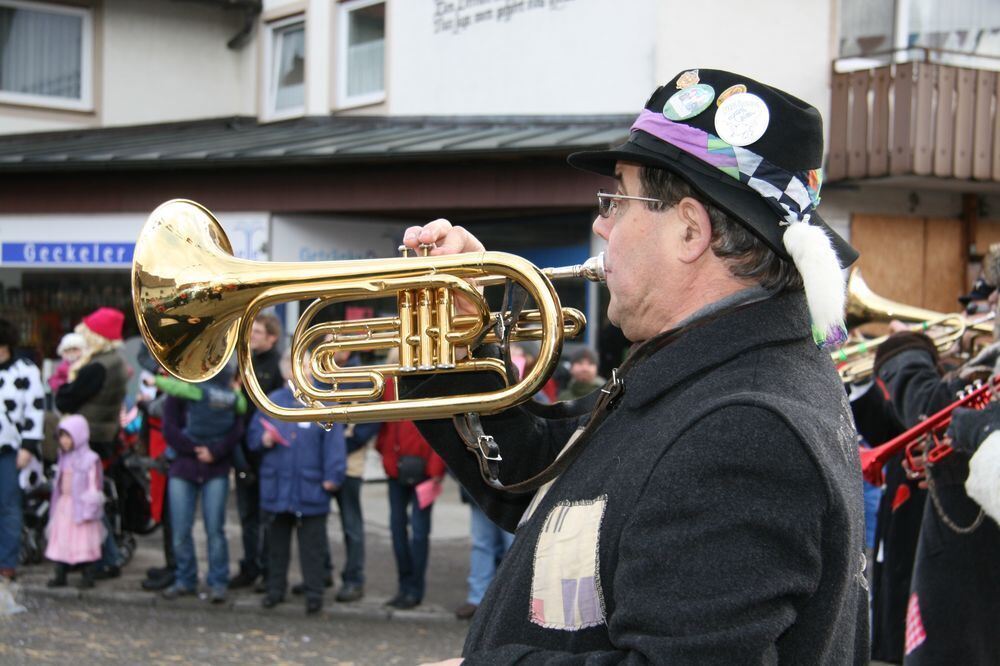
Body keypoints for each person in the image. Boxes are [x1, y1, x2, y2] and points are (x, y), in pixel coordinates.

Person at [404, 69, 868, 663]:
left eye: (616, 200)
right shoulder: (707, 366)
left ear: (690, 232)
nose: (600, 223)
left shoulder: (744, 428)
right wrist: (452, 342)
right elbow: (540, 475)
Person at [248, 350, 346, 614]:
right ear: (284, 370)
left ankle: (314, 594)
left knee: (312, 546)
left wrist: (332, 476)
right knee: (276, 544)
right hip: (278, 485)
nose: (297, 370)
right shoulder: (273, 401)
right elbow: (253, 436)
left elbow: (334, 443)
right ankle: (274, 589)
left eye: (302, 364)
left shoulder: (323, 401)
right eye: (291, 365)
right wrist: (263, 440)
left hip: (310, 485)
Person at [55, 307, 128, 579]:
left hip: (87, 439)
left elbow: (65, 398)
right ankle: (103, 557)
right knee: (92, 501)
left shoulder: (97, 367)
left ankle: (105, 557)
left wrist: (68, 381)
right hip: (103, 437)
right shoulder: (115, 362)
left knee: (86, 503)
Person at [160, 361, 242, 604]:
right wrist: (195, 449)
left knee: (215, 529)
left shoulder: (225, 393)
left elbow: (236, 429)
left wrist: (215, 451)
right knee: (180, 530)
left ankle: (218, 581)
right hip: (184, 467)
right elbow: (169, 428)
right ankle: (185, 579)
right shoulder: (181, 393)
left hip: (214, 467)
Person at [375, 378, 447, 610]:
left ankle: (414, 589)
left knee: (418, 533)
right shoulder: (390, 383)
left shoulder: (434, 383)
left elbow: (443, 428)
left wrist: (436, 468)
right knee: (397, 530)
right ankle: (404, 586)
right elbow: (386, 426)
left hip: (424, 471)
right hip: (397, 467)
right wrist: (387, 459)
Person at [230, 312, 284, 591]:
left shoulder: (276, 366)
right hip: (242, 448)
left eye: (258, 333)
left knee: (266, 516)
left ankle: (268, 569)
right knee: (247, 515)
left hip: (266, 450)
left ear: (272, 338)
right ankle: (250, 565)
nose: (251, 337)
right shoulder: (242, 361)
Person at [0, 319, 45, 582]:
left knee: (9, 506)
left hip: (11, 449)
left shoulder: (25, 370)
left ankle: (7, 562)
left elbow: (35, 408)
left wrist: (28, 446)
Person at [44, 415, 105, 589]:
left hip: (81, 507)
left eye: (68, 436)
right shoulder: (63, 457)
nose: (64, 441)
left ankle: (88, 575)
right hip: (64, 506)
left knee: (83, 541)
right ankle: (60, 574)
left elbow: (94, 485)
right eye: (62, 436)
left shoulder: (90, 459)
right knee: (62, 540)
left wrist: (90, 507)